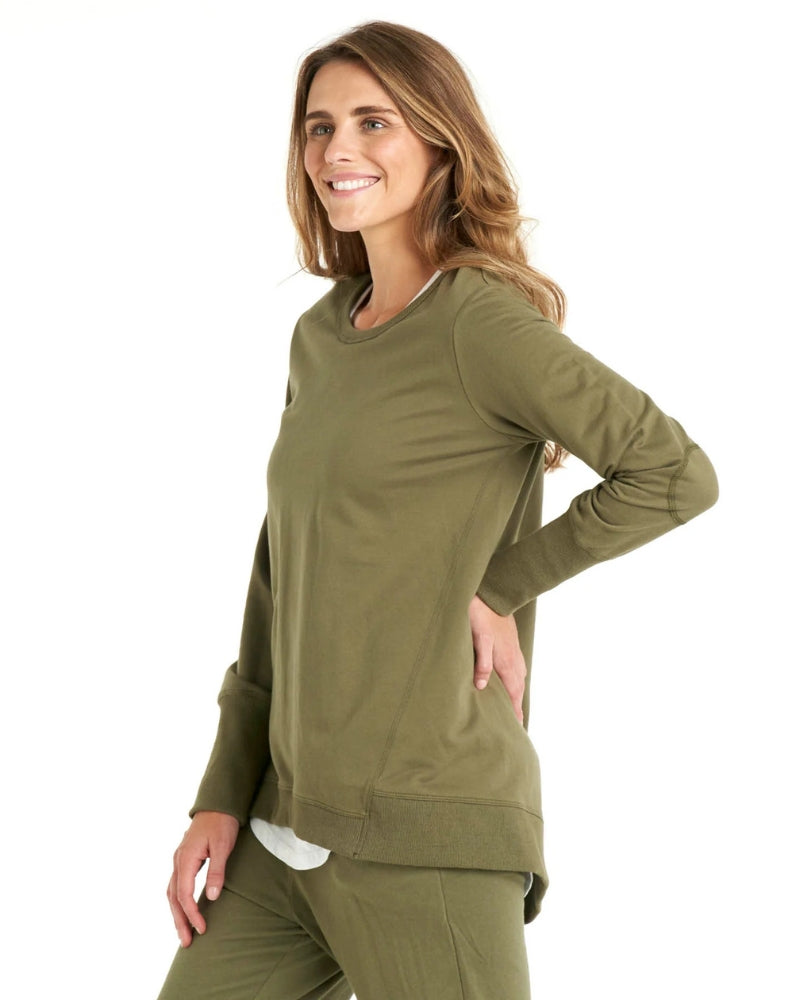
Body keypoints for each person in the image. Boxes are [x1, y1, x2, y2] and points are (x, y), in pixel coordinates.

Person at [156, 20, 718, 1000]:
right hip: (281, 831)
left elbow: (673, 471)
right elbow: (276, 578)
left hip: (427, 833)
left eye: (373, 122)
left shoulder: (479, 321)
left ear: (440, 142)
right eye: (320, 126)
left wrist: (503, 585)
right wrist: (222, 793)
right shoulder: (319, 337)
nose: (338, 148)